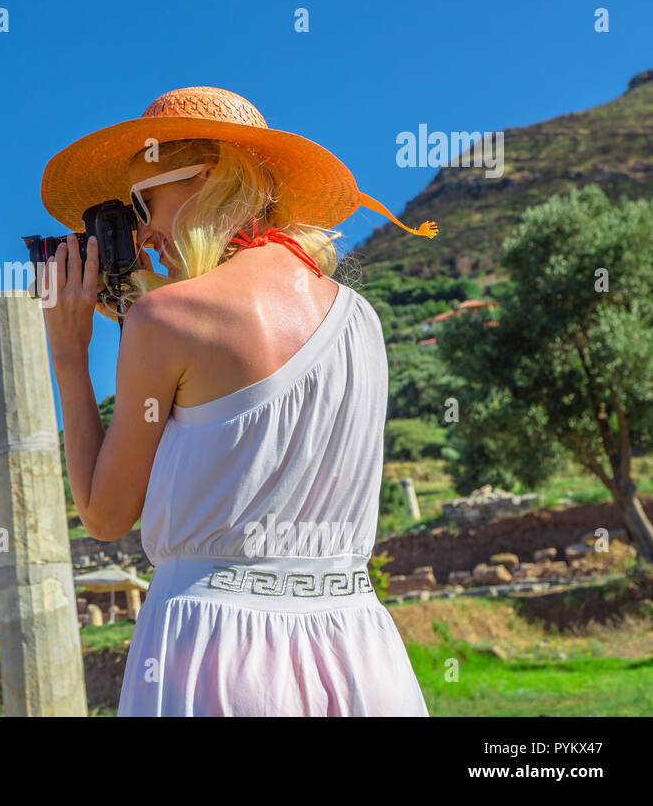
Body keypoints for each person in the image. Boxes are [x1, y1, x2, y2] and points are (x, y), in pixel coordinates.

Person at [38, 86, 436, 716]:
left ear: (206, 180)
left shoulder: (164, 319)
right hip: (359, 651)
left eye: (144, 201)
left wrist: (69, 353)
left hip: (215, 659)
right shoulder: (363, 319)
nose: (141, 232)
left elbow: (105, 514)